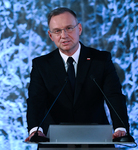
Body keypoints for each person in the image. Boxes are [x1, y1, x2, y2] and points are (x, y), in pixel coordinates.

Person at [25, 7, 130, 142]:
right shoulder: (41, 65)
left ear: (79, 29)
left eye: (69, 28)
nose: (64, 35)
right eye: (57, 31)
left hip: (96, 139)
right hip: (54, 141)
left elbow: (114, 96)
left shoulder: (101, 60)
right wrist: (35, 130)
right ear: (51, 36)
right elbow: (35, 100)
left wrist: (120, 128)